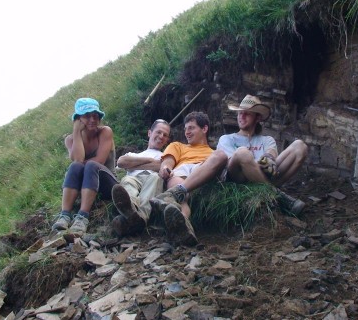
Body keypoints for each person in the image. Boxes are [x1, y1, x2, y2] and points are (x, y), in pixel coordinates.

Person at [216, 94, 308, 215]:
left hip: (264, 176)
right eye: (240, 113)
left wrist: (268, 158)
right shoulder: (227, 139)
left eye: (247, 113)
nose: (241, 116)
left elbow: (271, 154)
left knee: (300, 146)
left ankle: (269, 190)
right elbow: (229, 162)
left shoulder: (267, 140)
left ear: (257, 118)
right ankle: (278, 197)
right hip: (238, 179)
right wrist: (257, 161)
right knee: (242, 152)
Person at [150, 111, 228, 246]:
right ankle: (183, 229)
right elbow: (168, 162)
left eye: (191, 128)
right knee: (180, 191)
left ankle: (173, 194)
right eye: (185, 129)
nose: (187, 132)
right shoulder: (177, 146)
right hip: (182, 171)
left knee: (221, 155)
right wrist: (165, 169)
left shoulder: (213, 152)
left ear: (204, 129)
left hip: (204, 170)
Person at [52, 97, 118, 234]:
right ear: (78, 119)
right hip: (86, 186)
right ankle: (65, 215)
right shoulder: (70, 139)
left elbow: (99, 160)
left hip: (108, 183)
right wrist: (76, 132)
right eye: (87, 116)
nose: (92, 120)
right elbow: (78, 160)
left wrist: (81, 163)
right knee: (75, 167)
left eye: (95, 116)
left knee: (91, 165)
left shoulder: (105, 132)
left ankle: (83, 217)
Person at [110, 119, 171, 237]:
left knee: (155, 177)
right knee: (127, 181)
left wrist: (133, 165)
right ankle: (130, 209)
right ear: (149, 133)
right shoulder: (133, 154)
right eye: (158, 132)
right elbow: (122, 162)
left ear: (167, 140)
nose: (161, 136)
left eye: (165, 135)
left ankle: (141, 216)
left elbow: (160, 166)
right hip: (134, 178)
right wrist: (149, 160)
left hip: (152, 180)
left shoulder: (166, 156)